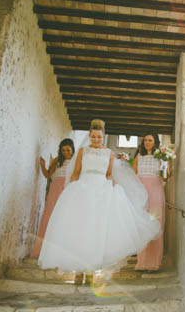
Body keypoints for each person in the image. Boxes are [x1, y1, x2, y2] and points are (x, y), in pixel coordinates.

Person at [38, 119, 160, 280]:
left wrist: (113, 185)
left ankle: (90, 272)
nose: (96, 140)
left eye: (99, 137)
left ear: (103, 137)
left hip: (101, 192)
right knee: (81, 229)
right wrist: (70, 190)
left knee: (97, 231)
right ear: (89, 135)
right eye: (94, 137)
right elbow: (76, 172)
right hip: (83, 189)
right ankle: (78, 273)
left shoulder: (108, 153)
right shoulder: (82, 151)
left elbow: (109, 174)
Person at [30, 138, 75, 258]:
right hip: (55, 188)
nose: (66, 153)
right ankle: (43, 249)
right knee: (50, 214)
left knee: (64, 216)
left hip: (68, 188)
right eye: (63, 150)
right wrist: (43, 166)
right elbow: (47, 175)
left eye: (68, 150)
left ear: (72, 149)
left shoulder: (77, 161)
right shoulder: (57, 160)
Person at [131, 133, 166, 271]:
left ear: (155, 142)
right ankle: (142, 261)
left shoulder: (161, 157)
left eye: (150, 140)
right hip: (141, 193)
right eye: (145, 140)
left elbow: (165, 176)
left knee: (155, 222)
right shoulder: (138, 157)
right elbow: (132, 176)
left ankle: (154, 262)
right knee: (141, 225)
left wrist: (167, 164)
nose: (147, 142)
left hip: (156, 192)